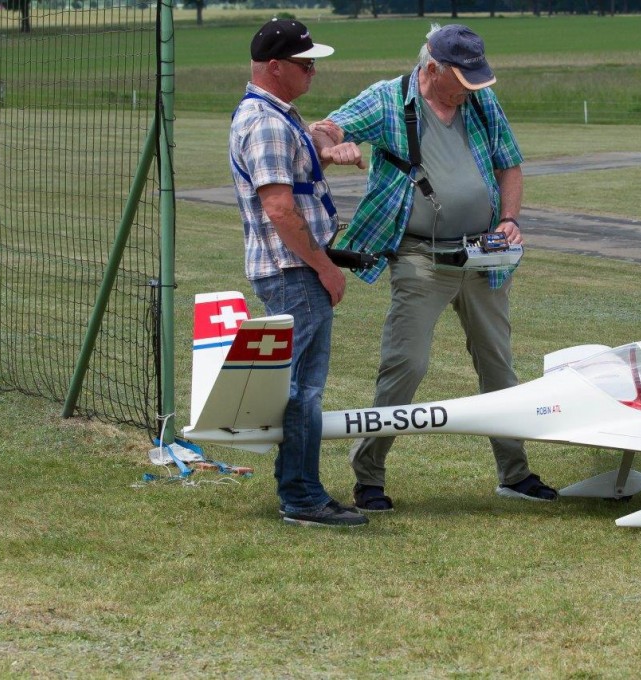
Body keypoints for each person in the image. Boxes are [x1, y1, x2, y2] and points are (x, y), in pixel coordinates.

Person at [313, 24, 558, 512]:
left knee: (499, 367)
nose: (474, 90)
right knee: (406, 366)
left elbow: (510, 163)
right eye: (464, 81)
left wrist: (509, 220)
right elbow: (325, 128)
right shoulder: (386, 100)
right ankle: (369, 478)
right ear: (431, 70)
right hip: (420, 259)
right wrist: (330, 147)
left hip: (485, 257)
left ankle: (514, 474)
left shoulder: (482, 102)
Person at [229, 19, 368, 527]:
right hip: (293, 271)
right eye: (305, 63)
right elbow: (280, 210)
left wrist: (323, 154)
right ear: (274, 67)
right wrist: (326, 268)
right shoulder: (266, 122)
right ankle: (301, 496)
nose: (314, 71)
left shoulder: (275, 115)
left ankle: (303, 488)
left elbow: (294, 187)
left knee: (301, 387)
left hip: (292, 269)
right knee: (301, 390)